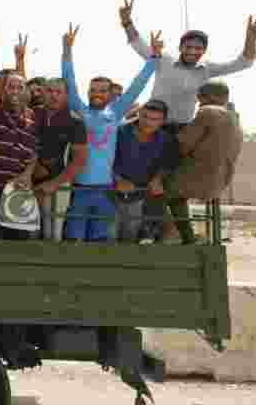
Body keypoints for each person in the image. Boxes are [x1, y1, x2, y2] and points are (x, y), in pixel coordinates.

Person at [61, 23, 158, 242]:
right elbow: (68, 81)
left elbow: (137, 85)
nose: (97, 94)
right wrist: (67, 50)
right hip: (79, 188)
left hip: (106, 189)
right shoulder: (80, 110)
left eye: (102, 91)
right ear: (88, 92)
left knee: (100, 237)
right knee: (74, 236)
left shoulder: (115, 112)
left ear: (110, 94)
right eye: (93, 90)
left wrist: (154, 58)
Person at [120, 0, 256, 129]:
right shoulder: (163, 60)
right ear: (180, 47)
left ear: (204, 50)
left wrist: (251, 39)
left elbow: (242, 63)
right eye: (188, 47)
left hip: (182, 128)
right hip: (152, 124)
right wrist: (126, 21)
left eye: (198, 48)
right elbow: (138, 44)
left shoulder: (207, 69)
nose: (193, 51)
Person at [0, 29, 40, 240]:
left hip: (19, 190)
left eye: (19, 87)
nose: (14, 90)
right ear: (3, 91)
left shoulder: (33, 117)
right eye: (9, 87)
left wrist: (26, 174)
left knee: (18, 246)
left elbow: (34, 154)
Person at [169, 80, 244, 244]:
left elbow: (184, 143)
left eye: (199, 98)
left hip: (197, 173)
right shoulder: (234, 116)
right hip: (220, 178)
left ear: (206, 97)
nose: (198, 102)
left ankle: (185, 238)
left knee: (161, 191)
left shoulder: (207, 111)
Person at [113, 100, 179, 242]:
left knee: (133, 237)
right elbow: (103, 160)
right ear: (139, 114)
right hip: (111, 195)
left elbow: (169, 164)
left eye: (155, 119)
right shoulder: (119, 132)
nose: (148, 122)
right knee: (108, 236)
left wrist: (158, 179)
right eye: (145, 117)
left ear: (162, 121)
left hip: (143, 197)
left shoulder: (167, 140)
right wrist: (118, 179)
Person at [31, 78, 88, 242]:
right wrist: (32, 173)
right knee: (33, 228)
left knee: (55, 231)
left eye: (58, 92)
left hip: (62, 181)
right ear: (43, 92)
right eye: (49, 91)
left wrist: (53, 183)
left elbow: (78, 161)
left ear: (65, 95)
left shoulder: (76, 122)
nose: (53, 96)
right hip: (31, 178)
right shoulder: (31, 115)